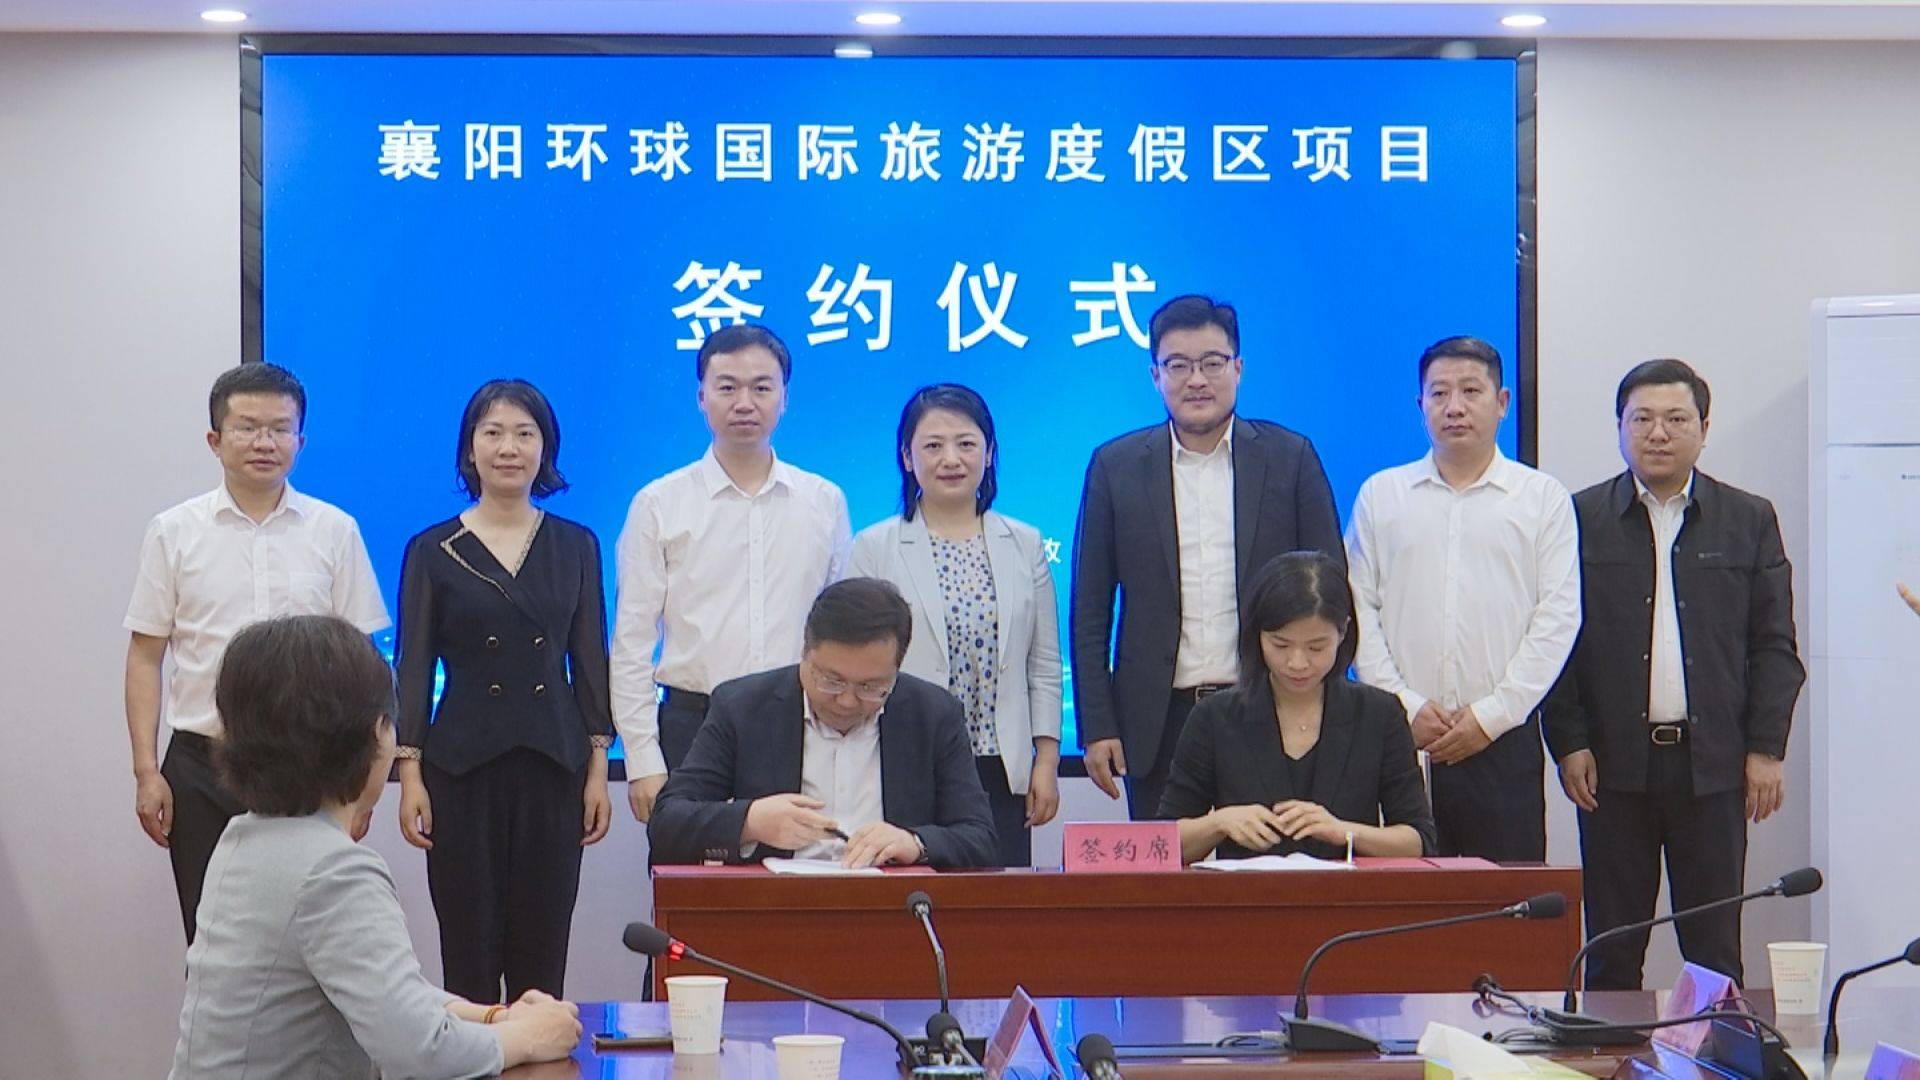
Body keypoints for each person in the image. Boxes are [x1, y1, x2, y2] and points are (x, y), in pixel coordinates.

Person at [170, 614, 582, 1079]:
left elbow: (388, 996)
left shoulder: (243, 840)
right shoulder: (333, 872)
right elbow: (420, 1051)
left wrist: (495, 1018)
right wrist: (531, 1038)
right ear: (363, 738)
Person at [1543, 359, 1804, 988]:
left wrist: (1766, 749)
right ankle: (1611, 1045)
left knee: (1714, 949)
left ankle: (1715, 1044)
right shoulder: (1577, 518)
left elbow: (1774, 646)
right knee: (1611, 949)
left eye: (1676, 419)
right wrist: (1569, 741)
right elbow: (1554, 644)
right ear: (1619, 427)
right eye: (1642, 419)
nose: (1657, 433)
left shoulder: (1748, 519)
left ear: (1704, 429)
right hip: (1611, 768)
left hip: (1713, 766)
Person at [124, 361, 389, 944]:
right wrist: (146, 771)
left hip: (311, 770)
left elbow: (364, 664)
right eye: (247, 427)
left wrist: (364, 783)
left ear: (300, 441)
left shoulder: (335, 530)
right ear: (214, 439)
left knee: (309, 939)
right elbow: (145, 657)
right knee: (211, 937)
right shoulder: (173, 531)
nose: (264, 442)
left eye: (279, 428)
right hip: (203, 767)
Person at [1071, 295, 1345, 821]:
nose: (1196, 379)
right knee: (1170, 865)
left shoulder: (1291, 458)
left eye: (1212, 363)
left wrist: (1327, 704)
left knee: (1272, 863)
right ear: (1155, 375)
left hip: (1271, 704)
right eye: (1178, 365)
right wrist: (1098, 725)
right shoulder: (1115, 466)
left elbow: (1331, 591)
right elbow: (1090, 610)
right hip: (1158, 720)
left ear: (1238, 368)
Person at [393, 379, 613, 1004]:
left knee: (543, 951)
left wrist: (598, 769)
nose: (508, 448)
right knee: (468, 950)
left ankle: (539, 1052)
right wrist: (409, 775)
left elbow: (589, 662)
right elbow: (414, 668)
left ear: (546, 448)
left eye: (524, 434)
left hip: (555, 764)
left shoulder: (576, 544)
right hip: (460, 767)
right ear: (470, 449)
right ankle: (475, 1054)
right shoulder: (433, 549)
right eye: (492, 433)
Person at [1346, 336, 1580, 862]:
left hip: (1503, 739)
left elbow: (1558, 619)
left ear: (1502, 402)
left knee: (1505, 898)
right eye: (1439, 393)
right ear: (1420, 405)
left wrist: (1492, 715)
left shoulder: (1542, 499)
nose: (1454, 407)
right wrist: (1403, 706)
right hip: (1399, 740)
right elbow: (1358, 611)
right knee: (1402, 896)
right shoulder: (1381, 495)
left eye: (1471, 391)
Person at [612, 324, 851, 824]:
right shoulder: (659, 503)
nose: (745, 403)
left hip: (799, 724)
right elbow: (632, 642)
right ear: (701, 397)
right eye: (727, 387)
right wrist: (642, 759)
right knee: (692, 869)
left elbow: (839, 635)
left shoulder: (824, 502)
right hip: (692, 726)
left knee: (800, 864)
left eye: (762, 387)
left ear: (785, 398)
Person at [848, 384, 1061, 867]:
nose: (951, 459)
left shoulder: (1024, 543)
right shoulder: (874, 547)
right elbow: (855, 660)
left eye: (966, 443)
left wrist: (1046, 761)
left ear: (989, 452)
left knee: (996, 901)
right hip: (904, 759)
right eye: (933, 445)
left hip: (997, 765)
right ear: (907, 457)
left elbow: (1044, 664)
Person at [648, 578, 997, 869]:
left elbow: (980, 837)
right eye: (831, 680)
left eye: (871, 688)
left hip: (894, 908)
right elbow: (667, 822)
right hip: (773, 907)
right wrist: (751, 822)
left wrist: (914, 842)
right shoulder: (743, 707)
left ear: (897, 670)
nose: (847, 701)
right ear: (804, 652)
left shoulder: (933, 714)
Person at [1161, 552, 1435, 863]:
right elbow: (1163, 843)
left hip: (1348, 892)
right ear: (1258, 634)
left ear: (1343, 632)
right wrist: (1218, 823)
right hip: (1247, 892)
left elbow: (1419, 840)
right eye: (1280, 645)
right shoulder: (1215, 716)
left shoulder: (1379, 714)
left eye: (1316, 647)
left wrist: (1345, 832)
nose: (1297, 663)